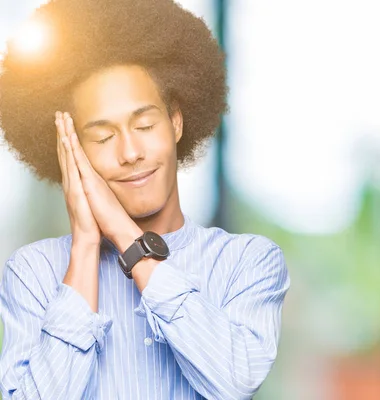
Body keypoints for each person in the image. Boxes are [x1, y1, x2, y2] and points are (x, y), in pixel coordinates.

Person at [0, 0, 290, 399]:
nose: (130, 152)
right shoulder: (33, 274)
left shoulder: (247, 262)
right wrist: (85, 248)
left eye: (145, 124)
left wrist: (124, 235)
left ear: (176, 122)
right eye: (103, 137)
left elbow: (234, 381)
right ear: (74, 152)